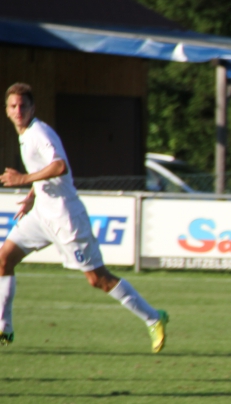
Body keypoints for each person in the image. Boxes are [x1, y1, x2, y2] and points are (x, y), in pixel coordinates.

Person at [1, 83, 167, 351]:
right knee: (4, 259)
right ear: (7, 110)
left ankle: (154, 317)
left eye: (23, 105)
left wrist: (24, 179)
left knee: (98, 279)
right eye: (13, 106)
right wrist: (33, 193)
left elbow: (60, 166)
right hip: (42, 214)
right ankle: (4, 327)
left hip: (66, 218)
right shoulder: (26, 135)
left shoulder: (39, 132)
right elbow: (45, 168)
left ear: (33, 108)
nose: (18, 110)